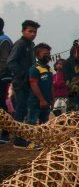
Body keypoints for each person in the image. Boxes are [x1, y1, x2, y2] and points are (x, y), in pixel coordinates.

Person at [7, 20, 39, 148]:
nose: (33, 34)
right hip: (21, 83)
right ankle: (18, 140)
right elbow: (11, 62)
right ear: (23, 31)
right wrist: (23, 75)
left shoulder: (31, 45)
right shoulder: (20, 44)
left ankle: (22, 138)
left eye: (35, 32)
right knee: (20, 110)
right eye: (30, 31)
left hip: (29, 83)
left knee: (25, 110)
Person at [27, 43, 54, 130]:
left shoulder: (49, 69)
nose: (48, 56)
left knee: (44, 124)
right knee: (31, 123)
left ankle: (41, 143)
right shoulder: (34, 68)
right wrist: (41, 100)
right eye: (45, 54)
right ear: (38, 56)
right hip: (35, 102)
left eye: (49, 54)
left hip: (47, 102)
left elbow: (51, 85)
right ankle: (28, 142)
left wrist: (52, 100)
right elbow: (34, 85)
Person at [0, 18, 13, 143]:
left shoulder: (4, 41)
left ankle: (5, 132)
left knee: (2, 105)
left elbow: (5, 61)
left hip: (2, 77)